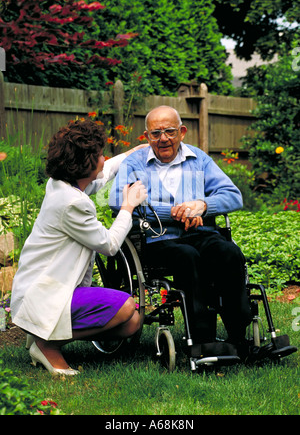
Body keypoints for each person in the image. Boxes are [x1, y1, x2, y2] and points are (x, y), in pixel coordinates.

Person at [109, 105, 253, 359]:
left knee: (229, 253)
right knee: (187, 256)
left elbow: (234, 196)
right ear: (147, 137)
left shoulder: (199, 159)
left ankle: (238, 338)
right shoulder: (134, 164)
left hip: (201, 234)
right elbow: (116, 201)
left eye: (170, 131)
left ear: (182, 132)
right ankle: (201, 338)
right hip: (157, 238)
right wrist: (175, 212)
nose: (163, 138)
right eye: (156, 133)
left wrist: (202, 206)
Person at [11, 119, 147, 375]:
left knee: (131, 323)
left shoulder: (62, 184)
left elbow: (101, 175)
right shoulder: (72, 203)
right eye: (98, 155)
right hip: (44, 294)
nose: (103, 158)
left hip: (43, 289)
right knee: (127, 307)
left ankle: (43, 332)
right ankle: (46, 344)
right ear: (85, 163)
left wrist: (130, 154)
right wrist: (129, 205)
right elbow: (109, 244)